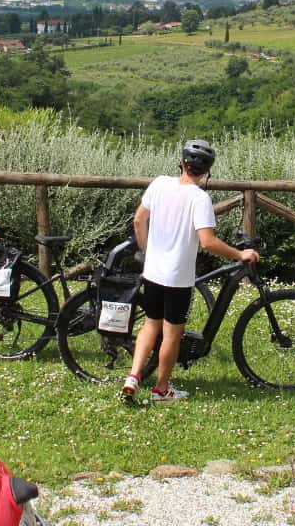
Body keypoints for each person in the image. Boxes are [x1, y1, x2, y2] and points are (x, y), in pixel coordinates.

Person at [121, 139, 259, 402]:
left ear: (182, 163)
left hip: (153, 273)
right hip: (177, 278)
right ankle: (162, 389)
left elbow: (139, 220)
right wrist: (240, 253)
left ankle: (133, 376)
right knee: (172, 334)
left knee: (150, 324)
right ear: (206, 172)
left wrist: (148, 252)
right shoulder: (199, 199)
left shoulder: (160, 183)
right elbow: (208, 242)